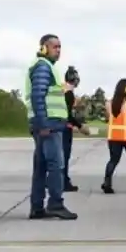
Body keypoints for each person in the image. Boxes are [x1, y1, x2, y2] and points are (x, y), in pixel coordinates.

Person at [25, 34, 78, 220]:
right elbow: (38, 96)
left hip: (44, 123)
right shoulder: (42, 67)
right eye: (54, 46)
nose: (58, 50)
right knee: (56, 165)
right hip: (49, 125)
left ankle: (37, 207)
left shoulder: (46, 68)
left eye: (60, 47)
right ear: (44, 48)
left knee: (41, 166)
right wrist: (44, 123)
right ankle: (55, 203)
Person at [61, 65, 90, 192]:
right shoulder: (69, 94)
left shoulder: (60, 90)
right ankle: (63, 182)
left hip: (56, 127)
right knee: (64, 157)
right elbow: (67, 114)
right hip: (64, 129)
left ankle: (53, 180)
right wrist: (80, 126)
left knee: (57, 157)